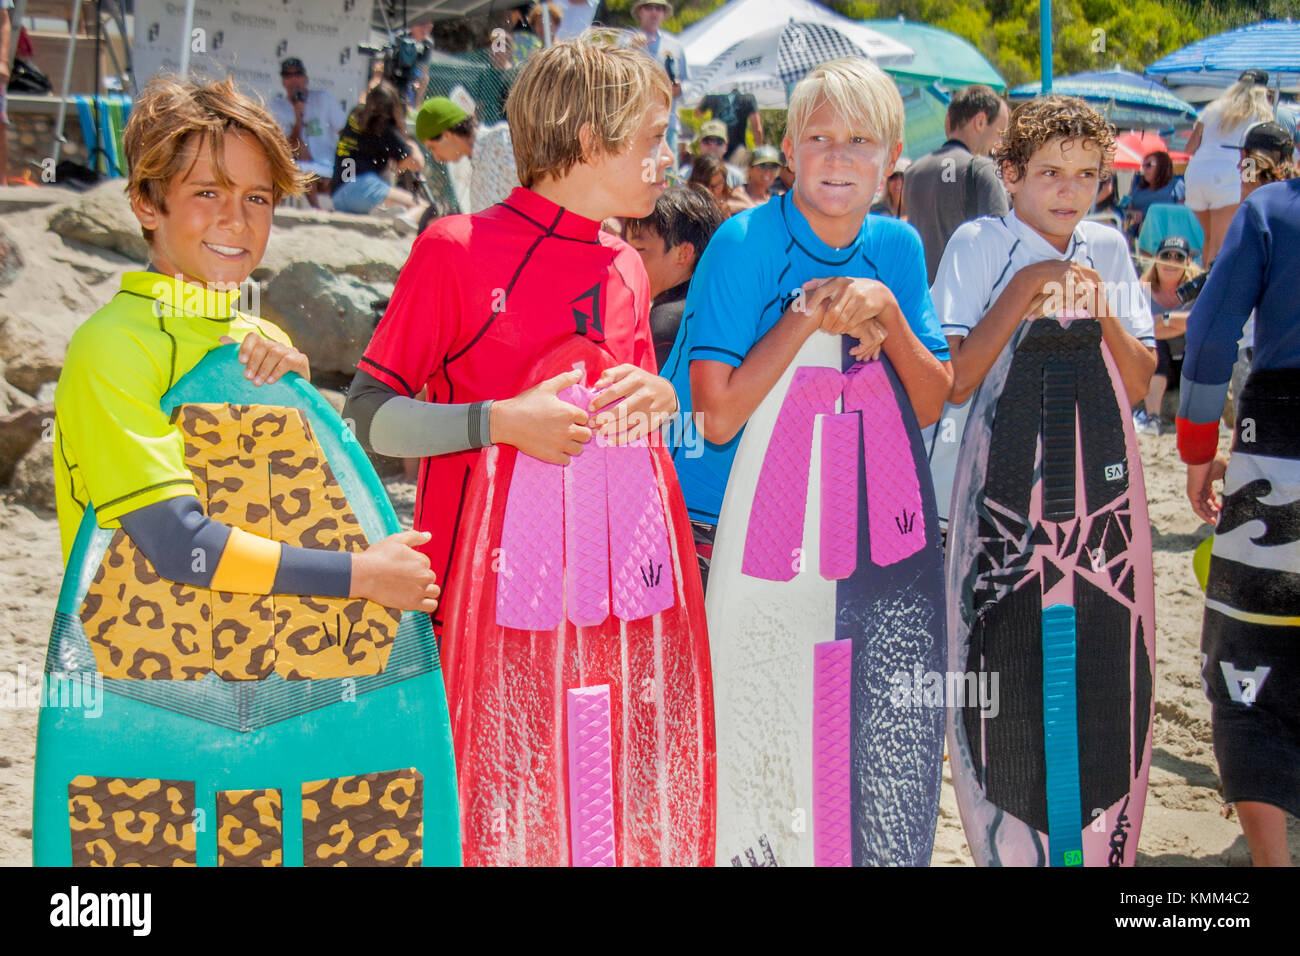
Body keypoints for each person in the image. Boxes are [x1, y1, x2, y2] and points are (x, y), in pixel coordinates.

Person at [52, 76, 439, 617]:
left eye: (256, 197)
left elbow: (301, 517)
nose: (236, 218)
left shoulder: (265, 341)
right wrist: (363, 575)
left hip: (257, 672)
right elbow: (174, 543)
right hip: (142, 677)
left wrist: (300, 409)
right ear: (146, 203)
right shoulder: (112, 346)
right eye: (207, 191)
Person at [343, 40, 677, 632]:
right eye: (653, 138)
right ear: (588, 140)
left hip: (593, 608)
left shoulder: (628, 265)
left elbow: (630, 437)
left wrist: (660, 400)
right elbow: (367, 416)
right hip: (473, 609)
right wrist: (497, 423)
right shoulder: (456, 249)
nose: (670, 157)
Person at [662, 57, 952, 587]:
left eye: (861, 140)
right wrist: (813, 310)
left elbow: (931, 403)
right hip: (708, 520)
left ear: (892, 159)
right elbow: (717, 420)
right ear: (791, 152)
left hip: (827, 525)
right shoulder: (742, 244)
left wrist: (885, 306)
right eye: (820, 138)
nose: (839, 156)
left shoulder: (898, 246)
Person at [928, 95, 1156, 528]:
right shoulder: (976, 242)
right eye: (1050, 172)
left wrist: (1099, 307)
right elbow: (954, 383)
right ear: (1011, 174)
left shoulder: (1107, 247)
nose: (1069, 191)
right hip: (970, 499)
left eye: (1086, 174)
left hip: (1070, 495)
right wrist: (1026, 285)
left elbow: (1138, 383)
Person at [1176, 174, 1300, 867]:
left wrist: (1198, 446)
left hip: (1281, 442)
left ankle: (1271, 863)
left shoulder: (1272, 210)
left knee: (1249, 658)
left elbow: (1213, 325)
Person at [903, 84, 1011, 284]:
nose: (999, 143)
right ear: (980, 121)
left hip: (923, 299)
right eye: (1000, 132)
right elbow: (1002, 249)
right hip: (970, 300)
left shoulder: (912, 172)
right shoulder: (982, 169)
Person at [624, 184, 724, 367]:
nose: (627, 257)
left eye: (638, 249)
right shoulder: (715, 305)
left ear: (684, 253)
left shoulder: (665, 323)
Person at [1182, 69, 1275, 264]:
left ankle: (1202, 290)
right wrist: (1249, 185)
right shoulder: (1261, 114)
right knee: (1221, 244)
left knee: (1208, 240)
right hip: (1230, 174)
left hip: (1197, 173)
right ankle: (1212, 291)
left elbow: (1190, 147)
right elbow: (1254, 155)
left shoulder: (1213, 109)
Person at [1133, 235, 1199, 435]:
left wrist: (1166, 319)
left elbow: (1198, 322)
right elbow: (1141, 328)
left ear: (1188, 262)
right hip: (1157, 366)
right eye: (1166, 255)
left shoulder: (1197, 288)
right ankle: (1153, 418)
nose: (1171, 261)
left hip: (1187, 365)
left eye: (1178, 257)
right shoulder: (1141, 290)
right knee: (1155, 344)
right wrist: (1179, 323)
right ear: (1156, 260)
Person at [330, 82, 425, 216]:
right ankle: (405, 218)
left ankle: (387, 210)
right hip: (364, 188)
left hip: (339, 194)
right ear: (394, 107)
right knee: (422, 207)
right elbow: (415, 164)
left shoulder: (355, 115)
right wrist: (412, 145)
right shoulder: (386, 129)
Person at [269, 57, 347, 189]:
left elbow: (343, 132)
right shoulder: (277, 107)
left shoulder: (323, 98)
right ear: (283, 81)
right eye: (288, 75)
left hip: (328, 164)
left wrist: (343, 162)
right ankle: (315, 208)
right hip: (300, 167)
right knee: (303, 171)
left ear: (306, 78)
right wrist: (298, 119)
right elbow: (289, 148)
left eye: (297, 74)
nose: (294, 79)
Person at [628, 0, 687, 157]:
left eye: (659, 8)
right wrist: (631, 49)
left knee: (667, 174)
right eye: (649, 7)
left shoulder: (676, 46)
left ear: (663, 13)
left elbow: (689, 84)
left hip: (668, 124)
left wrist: (679, 87)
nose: (654, 12)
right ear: (640, 11)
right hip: (636, 123)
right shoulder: (626, 41)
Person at [415, 96, 478, 216]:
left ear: (447, 135)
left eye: (433, 148)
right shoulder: (472, 163)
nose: (437, 159)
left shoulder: (502, 143)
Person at [1120, 150, 1185, 240]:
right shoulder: (1139, 186)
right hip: (1136, 230)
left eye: (1149, 165)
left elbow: (1182, 213)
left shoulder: (1176, 185)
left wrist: (1146, 215)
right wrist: (1131, 213)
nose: (1144, 169)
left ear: (1162, 166)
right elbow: (1126, 208)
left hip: (1166, 229)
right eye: (1143, 165)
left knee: (1148, 225)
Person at [697, 87, 763, 161]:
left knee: (714, 170)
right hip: (738, 151)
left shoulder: (714, 94)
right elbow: (757, 128)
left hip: (716, 145)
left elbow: (698, 113)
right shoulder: (748, 97)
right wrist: (759, 153)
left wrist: (707, 94)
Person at [681, 118, 745, 187]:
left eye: (719, 141)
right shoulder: (683, 175)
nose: (713, 146)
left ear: (726, 146)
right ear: (699, 144)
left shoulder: (737, 177)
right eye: (707, 140)